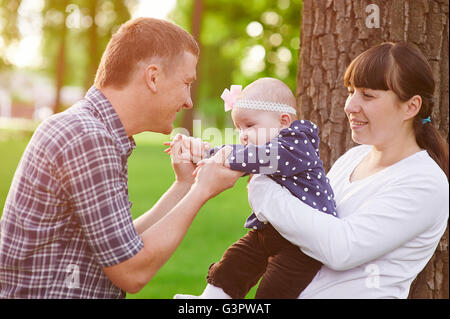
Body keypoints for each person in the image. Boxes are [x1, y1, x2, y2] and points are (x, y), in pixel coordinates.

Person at [0, 17, 241, 299]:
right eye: (186, 83)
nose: (189, 101)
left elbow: (119, 245)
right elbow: (131, 271)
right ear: (153, 77)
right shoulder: (88, 138)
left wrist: (185, 185)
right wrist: (202, 191)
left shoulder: (93, 130)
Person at [242, 42, 449, 298]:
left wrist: (261, 188)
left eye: (368, 95)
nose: (350, 106)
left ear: (411, 106)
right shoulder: (353, 158)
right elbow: (304, 227)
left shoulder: (425, 182)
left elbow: (341, 249)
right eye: (351, 92)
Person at [172, 77, 337, 299]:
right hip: (271, 231)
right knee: (233, 263)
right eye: (239, 127)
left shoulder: (297, 145)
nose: (243, 134)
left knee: (275, 288)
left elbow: (258, 157)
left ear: (284, 120)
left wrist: (219, 157)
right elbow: (244, 154)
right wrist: (202, 153)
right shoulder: (265, 148)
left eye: (249, 125)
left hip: (303, 242)